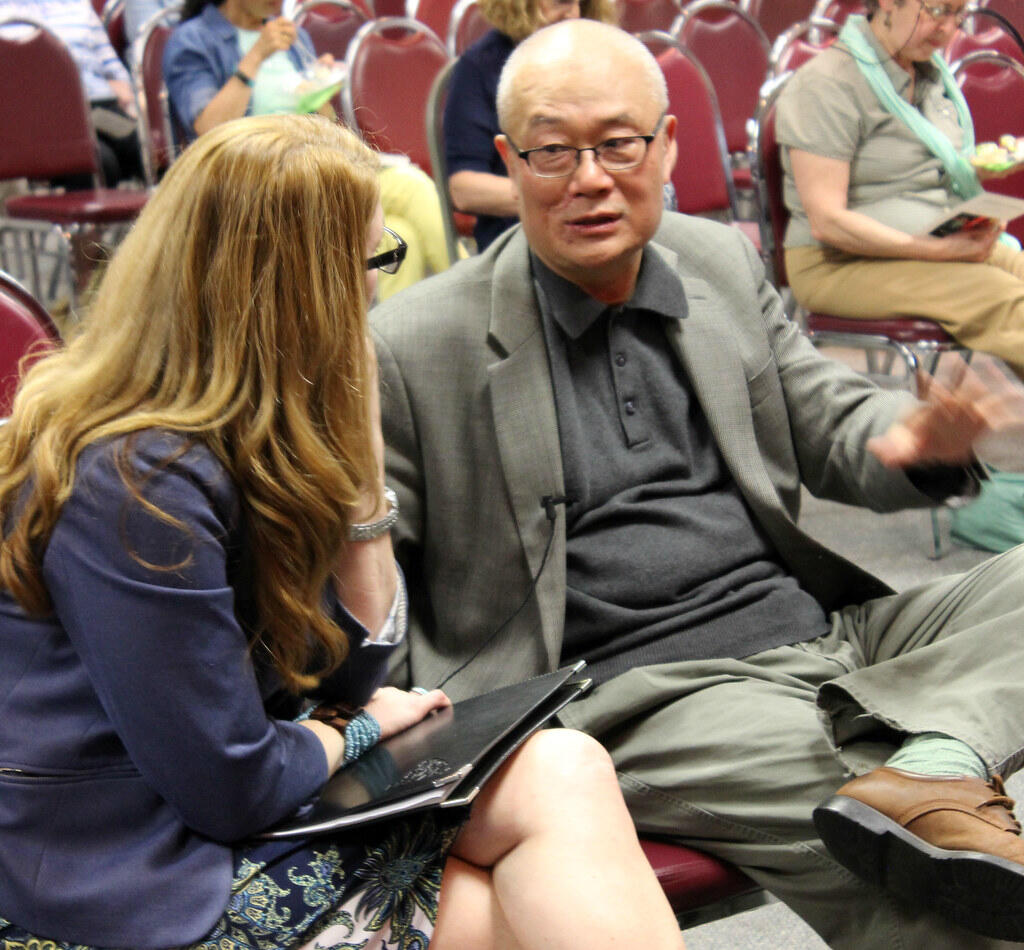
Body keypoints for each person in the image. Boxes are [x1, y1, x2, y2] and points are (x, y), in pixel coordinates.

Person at [371, 17, 1024, 950]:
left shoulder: (714, 262)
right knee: (924, 861)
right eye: (554, 151)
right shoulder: (415, 344)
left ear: (669, 144)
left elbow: (836, 422)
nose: (590, 177)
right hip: (641, 689)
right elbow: (372, 593)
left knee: (926, 775)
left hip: (821, 629)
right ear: (511, 163)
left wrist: (914, 438)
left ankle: (939, 751)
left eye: (619, 144)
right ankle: (927, 764)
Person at [0, 114, 687, 950]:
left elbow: (354, 670)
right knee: (518, 902)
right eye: (372, 260)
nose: (375, 289)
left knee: (563, 768)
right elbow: (231, 784)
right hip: (129, 870)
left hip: (235, 807)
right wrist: (350, 732)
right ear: (299, 287)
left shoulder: (247, 427)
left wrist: (363, 485)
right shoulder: (135, 482)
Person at [775, 0, 1024, 381]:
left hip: (928, 241)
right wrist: (937, 250)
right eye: (939, 10)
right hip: (837, 263)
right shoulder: (826, 84)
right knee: (1005, 302)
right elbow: (827, 223)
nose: (949, 30)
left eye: (959, 15)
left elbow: (923, 171)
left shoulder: (926, 73)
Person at [164, 0, 451, 299]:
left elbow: (322, 121)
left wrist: (321, 86)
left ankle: (393, 337)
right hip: (250, 182)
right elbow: (209, 129)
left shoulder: (295, 37)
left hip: (311, 164)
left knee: (401, 235)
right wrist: (256, 57)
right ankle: (473, 290)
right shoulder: (192, 40)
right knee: (413, 188)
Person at [443, 0, 616, 251]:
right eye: (560, 2)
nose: (572, 13)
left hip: (605, 222)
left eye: (578, 2)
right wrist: (564, 195)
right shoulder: (479, 68)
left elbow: (656, 140)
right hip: (520, 238)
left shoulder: (605, 58)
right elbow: (464, 189)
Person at [0, 0, 143, 187]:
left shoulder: (79, 7)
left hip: (98, 108)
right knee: (102, 162)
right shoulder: (5, 15)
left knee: (144, 149)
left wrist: (126, 91)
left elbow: (115, 71)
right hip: (42, 118)